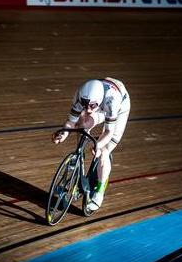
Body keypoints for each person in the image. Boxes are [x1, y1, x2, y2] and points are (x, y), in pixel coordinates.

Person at [52, 77, 130, 211]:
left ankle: (99, 192)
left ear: (97, 102)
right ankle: (79, 159)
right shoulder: (80, 95)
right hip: (100, 104)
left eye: (91, 106)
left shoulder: (112, 101)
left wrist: (98, 145)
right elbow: (71, 122)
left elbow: (109, 131)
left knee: (104, 151)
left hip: (119, 106)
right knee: (82, 121)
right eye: (85, 104)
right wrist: (63, 135)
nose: (88, 109)